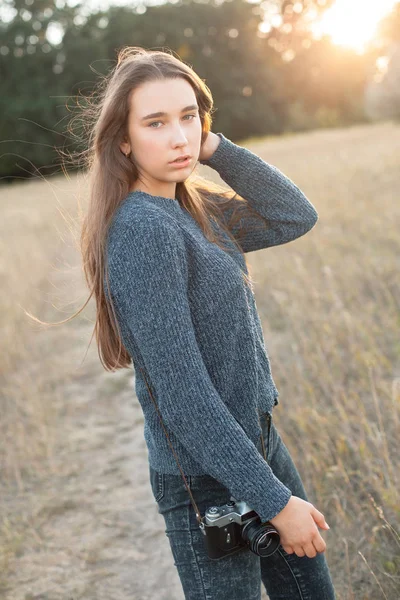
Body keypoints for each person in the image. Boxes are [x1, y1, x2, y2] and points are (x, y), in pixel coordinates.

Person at [80, 46, 337, 599]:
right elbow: (184, 398)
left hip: (257, 443)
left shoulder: (197, 208)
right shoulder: (143, 230)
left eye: (189, 116)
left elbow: (295, 215)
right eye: (155, 123)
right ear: (123, 140)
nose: (179, 137)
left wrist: (215, 148)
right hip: (203, 477)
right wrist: (274, 503)